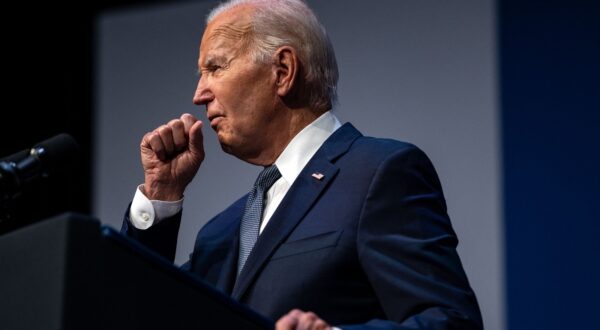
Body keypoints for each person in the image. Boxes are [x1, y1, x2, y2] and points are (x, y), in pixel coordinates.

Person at [121, 0, 483, 329]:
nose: (199, 94)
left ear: (283, 70)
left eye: (215, 67)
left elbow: (451, 322)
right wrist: (161, 194)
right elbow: (135, 312)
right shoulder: (220, 234)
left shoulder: (378, 174)